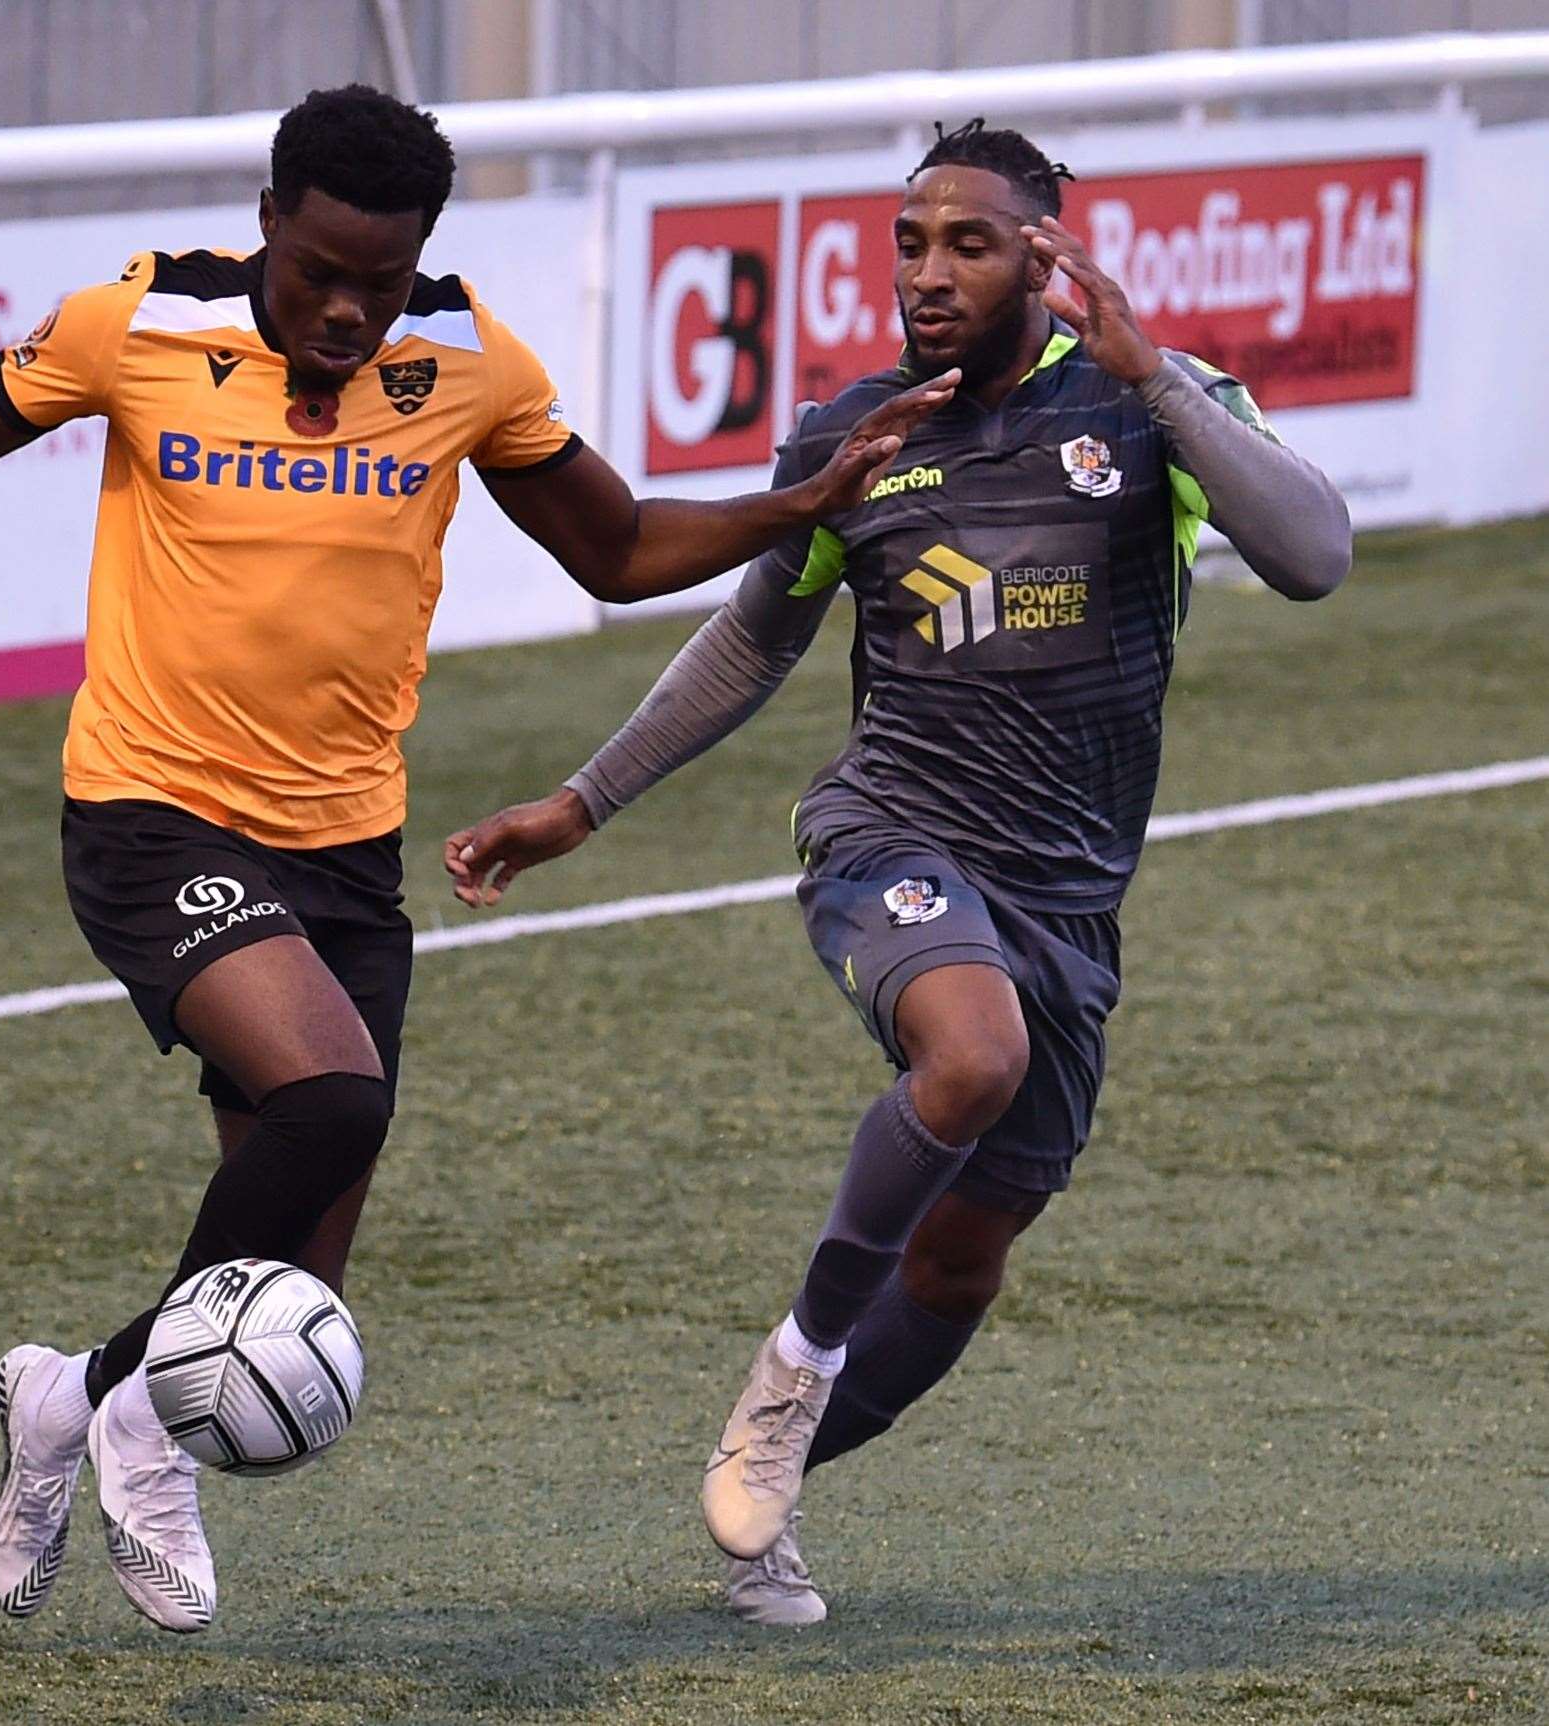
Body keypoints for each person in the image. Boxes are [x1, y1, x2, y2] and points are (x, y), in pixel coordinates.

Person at [0, 84, 956, 1634]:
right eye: (322, 270)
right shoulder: (141, 320)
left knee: (294, 1291)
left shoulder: (463, 357)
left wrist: (793, 506)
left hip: (344, 846)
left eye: (382, 280)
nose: (348, 309)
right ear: (269, 222)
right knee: (334, 1092)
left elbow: (608, 552)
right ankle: (140, 1442)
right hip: (153, 809)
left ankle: (66, 1398)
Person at [445, 119, 1351, 1627]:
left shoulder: (1148, 420)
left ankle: (771, 1488)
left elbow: (1314, 553)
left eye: (968, 244)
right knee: (968, 1050)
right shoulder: (858, 431)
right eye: (909, 244)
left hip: (1064, 897)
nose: (927, 273)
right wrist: (579, 802)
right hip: (890, 836)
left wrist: (1155, 377)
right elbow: (754, 637)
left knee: (961, 1262)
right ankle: (793, 1363)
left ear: (1046, 258)